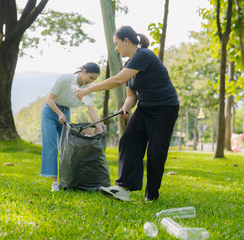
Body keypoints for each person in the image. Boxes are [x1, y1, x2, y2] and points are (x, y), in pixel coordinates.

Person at [75, 26, 179, 201]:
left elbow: (118, 80)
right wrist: (125, 107)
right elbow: (131, 95)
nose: (116, 48)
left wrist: (89, 88)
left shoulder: (144, 55)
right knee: (128, 140)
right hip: (145, 108)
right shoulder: (129, 64)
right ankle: (124, 188)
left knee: (155, 151)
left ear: (126, 41)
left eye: (117, 44)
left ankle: (151, 195)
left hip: (165, 108)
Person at [41, 62, 103, 192]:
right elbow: (50, 99)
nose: (91, 82)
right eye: (91, 78)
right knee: (51, 146)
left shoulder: (87, 90)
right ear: (83, 71)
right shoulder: (65, 79)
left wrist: (100, 129)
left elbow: (91, 111)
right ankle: (54, 183)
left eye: (94, 80)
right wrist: (59, 113)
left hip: (65, 112)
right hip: (51, 111)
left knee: (67, 147)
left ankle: (67, 180)